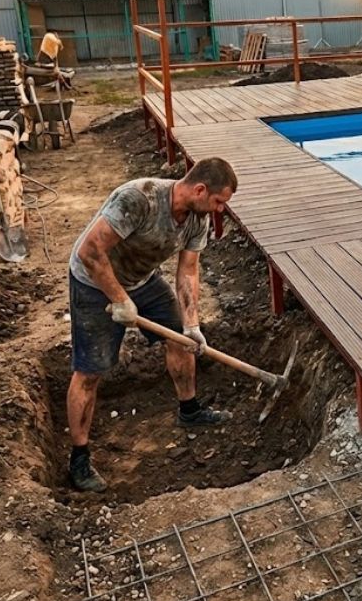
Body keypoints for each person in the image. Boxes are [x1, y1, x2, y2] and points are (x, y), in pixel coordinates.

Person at [65, 158, 238, 492]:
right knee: (90, 370)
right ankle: (79, 458)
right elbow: (90, 251)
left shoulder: (197, 218)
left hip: (141, 280)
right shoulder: (138, 198)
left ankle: (189, 409)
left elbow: (188, 270)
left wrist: (191, 324)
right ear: (200, 189)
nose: (219, 211)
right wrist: (118, 299)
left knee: (181, 340)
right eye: (218, 202)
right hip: (92, 280)